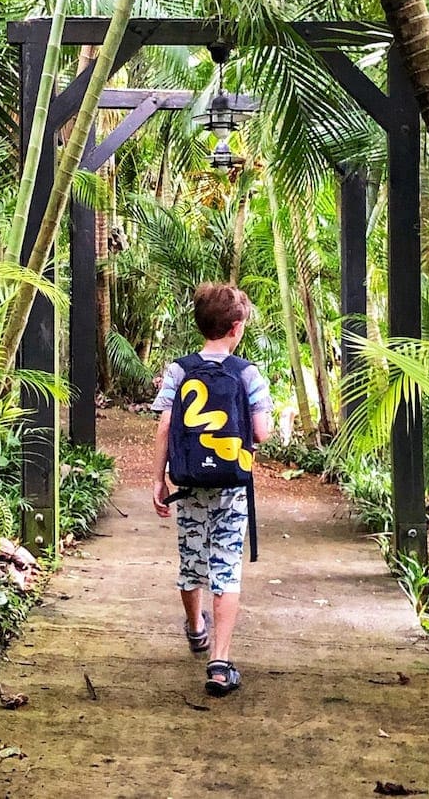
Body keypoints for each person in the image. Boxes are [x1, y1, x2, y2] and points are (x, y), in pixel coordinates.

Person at [151, 282, 272, 696]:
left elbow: (166, 425)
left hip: (189, 486)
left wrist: (158, 479)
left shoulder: (179, 369)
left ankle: (196, 626)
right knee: (226, 569)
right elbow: (261, 431)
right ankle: (219, 663)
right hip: (231, 489)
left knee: (190, 562)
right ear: (237, 328)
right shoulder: (248, 373)